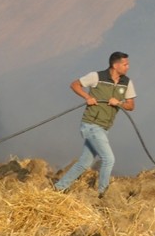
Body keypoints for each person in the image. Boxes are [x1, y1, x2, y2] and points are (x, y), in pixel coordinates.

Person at [55, 51, 135, 196]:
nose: (128, 67)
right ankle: (102, 193)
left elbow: (131, 105)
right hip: (91, 124)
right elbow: (75, 85)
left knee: (84, 163)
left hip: (105, 128)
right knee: (108, 159)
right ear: (115, 65)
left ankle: (59, 188)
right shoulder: (96, 76)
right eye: (125, 64)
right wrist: (88, 96)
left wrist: (120, 103)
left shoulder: (127, 82)